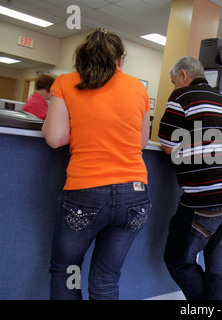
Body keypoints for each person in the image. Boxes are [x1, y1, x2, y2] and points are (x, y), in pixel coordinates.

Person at [42, 28, 151, 299]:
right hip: (134, 195)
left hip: (86, 193)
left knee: (67, 270)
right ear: (120, 59)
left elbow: (56, 138)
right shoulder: (138, 87)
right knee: (106, 279)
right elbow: (141, 142)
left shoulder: (66, 82)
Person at [158, 56, 222, 300]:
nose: (173, 86)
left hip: (205, 196)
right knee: (220, 270)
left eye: (173, 81)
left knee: (178, 260)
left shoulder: (181, 97)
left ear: (184, 76)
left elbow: (167, 146)